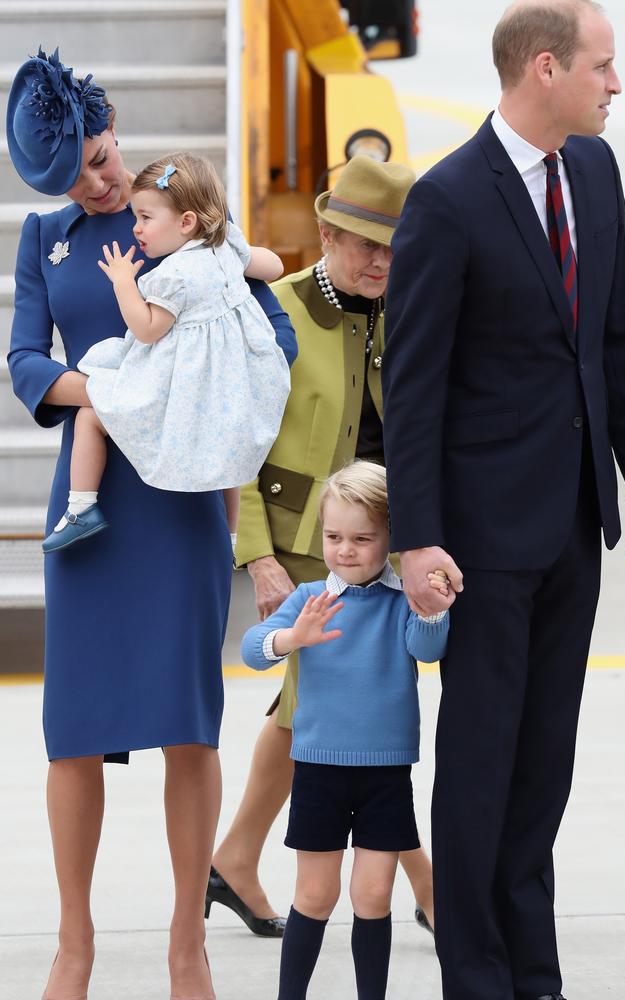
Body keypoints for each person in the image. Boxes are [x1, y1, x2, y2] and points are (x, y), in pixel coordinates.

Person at [6, 47, 295, 1000]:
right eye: (84, 172)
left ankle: (186, 946)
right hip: (89, 511)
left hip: (181, 509)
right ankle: (75, 946)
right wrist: (120, 393)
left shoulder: (182, 219)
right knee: (72, 731)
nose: (105, 176)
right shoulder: (42, 239)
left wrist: (186, 389)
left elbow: (273, 332)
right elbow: (25, 364)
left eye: (105, 152)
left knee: (189, 727)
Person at [381, 2, 625, 998]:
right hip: (481, 541)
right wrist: (418, 538)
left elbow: (620, 339)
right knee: (480, 763)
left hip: (571, 526)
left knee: (543, 765)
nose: (614, 84)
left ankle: (531, 969)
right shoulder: (446, 200)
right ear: (543, 68)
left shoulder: (593, 171)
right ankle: (477, 973)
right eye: (601, 65)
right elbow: (410, 386)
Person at [205, 156, 439, 942]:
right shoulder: (276, 309)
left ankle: (235, 856)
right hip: (309, 546)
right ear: (328, 233)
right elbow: (232, 441)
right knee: (351, 716)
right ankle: (432, 891)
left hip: (391, 540)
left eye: (394, 247)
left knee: (313, 712)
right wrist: (259, 556)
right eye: (365, 245)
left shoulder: (407, 307)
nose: (381, 261)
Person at [240, 462, 450, 999]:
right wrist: (293, 636)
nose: (346, 550)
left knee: (373, 896)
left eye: (363, 538)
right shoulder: (309, 598)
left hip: (385, 772)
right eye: (334, 537)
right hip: (317, 771)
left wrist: (432, 609)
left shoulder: (403, 598)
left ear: (390, 539)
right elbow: (252, 649)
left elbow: (427, 651)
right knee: (314, 895)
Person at [41, 151, 290, 553]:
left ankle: (81, 507)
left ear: (186, 222)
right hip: (235, 379)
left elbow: (148, 328)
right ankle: (228, 535)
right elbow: (274, 267)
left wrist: (123, 281)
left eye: (145, 218)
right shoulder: (226, 246)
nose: (136, 228)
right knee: (228, 459)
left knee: (91, 413)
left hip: (185, 383)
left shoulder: (173, 275)